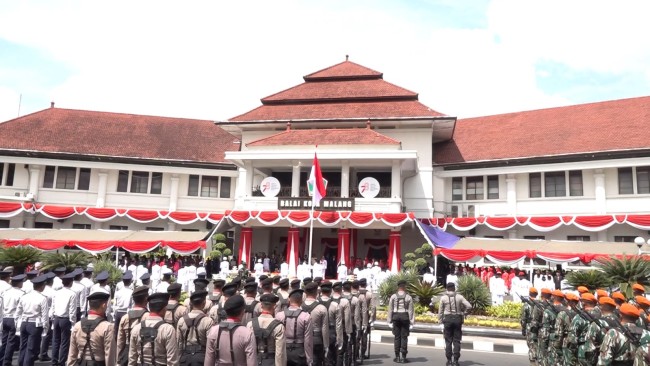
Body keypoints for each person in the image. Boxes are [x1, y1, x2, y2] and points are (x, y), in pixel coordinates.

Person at [66, 289, 116, 366]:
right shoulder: (107, 327)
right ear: (103, 305)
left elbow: (72, 353)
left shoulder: (77, 325)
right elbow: (109, 355)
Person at [128, 292, 179, 366]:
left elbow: (132, 359)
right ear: (164, 309)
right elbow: (172, 361)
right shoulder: (168, 329)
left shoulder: (136, 329)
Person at [205, 295, 257, 366]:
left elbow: (208, 361)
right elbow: (252, 363)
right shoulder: (247, 333)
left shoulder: (213, 331)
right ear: (242, 311)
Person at [16, 274, 49, 366]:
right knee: (31, 349)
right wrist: (45, 329)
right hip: (35, 324)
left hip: (24, 323)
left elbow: (18, 312)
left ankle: (21, 363)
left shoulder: (24, 296)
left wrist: (18, 325)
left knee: (23, 347)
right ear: (41, 286)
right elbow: (45, 315)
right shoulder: (42, 298)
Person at [276, 288, 313, 366]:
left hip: (283, 350)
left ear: (289, 300)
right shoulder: (306, 316)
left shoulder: (279, 315)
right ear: (301, 301)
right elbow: (308, 340)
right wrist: (309, 358)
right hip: (299, 351)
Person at [176, 290, 214, 366]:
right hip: (202, 357)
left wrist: (179, 359)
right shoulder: (208, 321)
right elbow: (210, 344)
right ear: (204, 303)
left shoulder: (181, 320)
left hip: (185, 357)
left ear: (191, 304)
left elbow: (179, 343)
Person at [247, 293, 286, 366]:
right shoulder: (279, 326)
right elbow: (280, 353)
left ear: (261, 305)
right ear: (274, 306)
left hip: (254, 360)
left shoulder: (250, 324)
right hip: (271, 361)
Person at [439, 282, 472, 366]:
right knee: (457, 340)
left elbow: (440, 312)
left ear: (447, 289)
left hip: (447, 319)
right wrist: (464, 313)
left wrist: (440, 322)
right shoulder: (459, 297)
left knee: (448, 340)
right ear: (454, 288)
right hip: (457, 319)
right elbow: (469, 306)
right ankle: (456, 360)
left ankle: (449, 360)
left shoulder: (443, 298)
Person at [117, 286, 150, 366]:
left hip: (126, 354)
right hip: (142, 354)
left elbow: (120, 342)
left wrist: (118, 361)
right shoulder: (148, 317)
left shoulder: (125, 317)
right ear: (146, 299)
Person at [49, 271, 77, 366]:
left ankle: (54, 361)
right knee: (64, 342)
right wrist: (73, 323)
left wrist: (53, 318)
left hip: (56, 318)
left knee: (55, 341)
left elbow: (53, 307)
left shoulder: (56, 293)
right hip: (65, 319)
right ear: (71, 282)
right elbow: (72, 310)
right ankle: (61, 362)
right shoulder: (72, 294)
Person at [388, 280, 415, 363]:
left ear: (398, 287)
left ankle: (397, 357)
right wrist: (412, 322)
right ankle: (403, 357)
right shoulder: (408, 297)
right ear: (404, 287)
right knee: (404, 337)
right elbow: (411, 310)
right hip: (405, 317)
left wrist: (389, 321)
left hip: (396, 317)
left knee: (397, 337)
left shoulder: (393, 296)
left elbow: (390, 309)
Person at [302, 282, 329, 366]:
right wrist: (326, 345)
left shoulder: (300, 307)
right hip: (316, 339)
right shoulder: (321, 308)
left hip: (302, 339)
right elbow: (324, 329)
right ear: (316, 292)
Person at [38, 272, 56, 361]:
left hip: (37, 316)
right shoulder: (53, 292)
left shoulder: (41, 290)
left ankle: (37, 352)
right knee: (46, 335)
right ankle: (43, 353)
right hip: (47, 315)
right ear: (52, 282)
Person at [113, 271, 134, 341]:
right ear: (130, 282)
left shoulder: (118, 292)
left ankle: (116, 344)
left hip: (118, 313)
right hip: (127, 313)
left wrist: (114, 314)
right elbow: (132, 305)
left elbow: (114, 304)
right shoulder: (131, 292)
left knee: (116, 330)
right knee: (126, 331)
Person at [521, 287, 539, 366]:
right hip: (538, 327)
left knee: (531, 346)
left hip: (529, 327)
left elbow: (523, 319)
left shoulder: (526, 305)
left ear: (529, 293)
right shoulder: (539, 304)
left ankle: (533, 363)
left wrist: (523, 328)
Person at [358, 278, 375, 360]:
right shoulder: (369, 294)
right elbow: (373, 307)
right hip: (366, 317)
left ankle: (356, 352)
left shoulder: (356, 293)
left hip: (356, 317)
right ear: (366, 284)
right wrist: (372, 318)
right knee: (364, 336)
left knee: (357, 335)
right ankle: (362, 353)